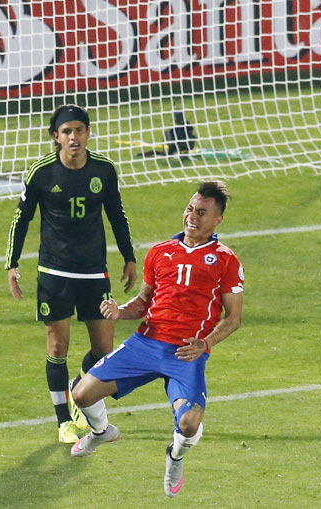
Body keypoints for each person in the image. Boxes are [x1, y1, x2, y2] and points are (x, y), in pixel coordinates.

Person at [69, 181, 244, 498]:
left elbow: (233, 317)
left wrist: (205, 345)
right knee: (81, 395)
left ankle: (175, 455)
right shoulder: (160, 252)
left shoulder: (226, 260)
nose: (192, 216)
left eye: (202, 212)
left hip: (185, 354)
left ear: (218, 219)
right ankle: (102, 431)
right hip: (145, 344)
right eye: (190, 208)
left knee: (189, 423)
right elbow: (142, 303)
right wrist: (118, 311)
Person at [5, 104, 137, 444]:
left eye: (79, 130)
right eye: (67, 131)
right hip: (55, 270)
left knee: (103, 349)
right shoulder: (41, 173)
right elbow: (22, 219)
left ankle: (79, 390)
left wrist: (129, 257)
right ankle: (64, 420)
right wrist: (13, 263)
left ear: (88, 133)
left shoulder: (104, 170)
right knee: (57, 344)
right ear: (56, 137)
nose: (74, 137)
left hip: (94, 270)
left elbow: (116, 215)